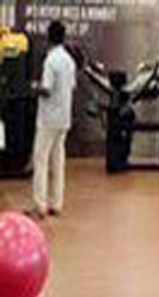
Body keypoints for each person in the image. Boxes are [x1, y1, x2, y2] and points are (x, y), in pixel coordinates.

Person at [29, 20, 76, 220]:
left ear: (49, 37)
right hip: (63, 118)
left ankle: (40, 205)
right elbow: (71, 86)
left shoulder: (50, 60)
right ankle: (56, 204)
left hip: (48, 119)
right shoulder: (69, 61)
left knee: (40, 161)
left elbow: (46, 89)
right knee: (58, 162)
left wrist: (34, 87)